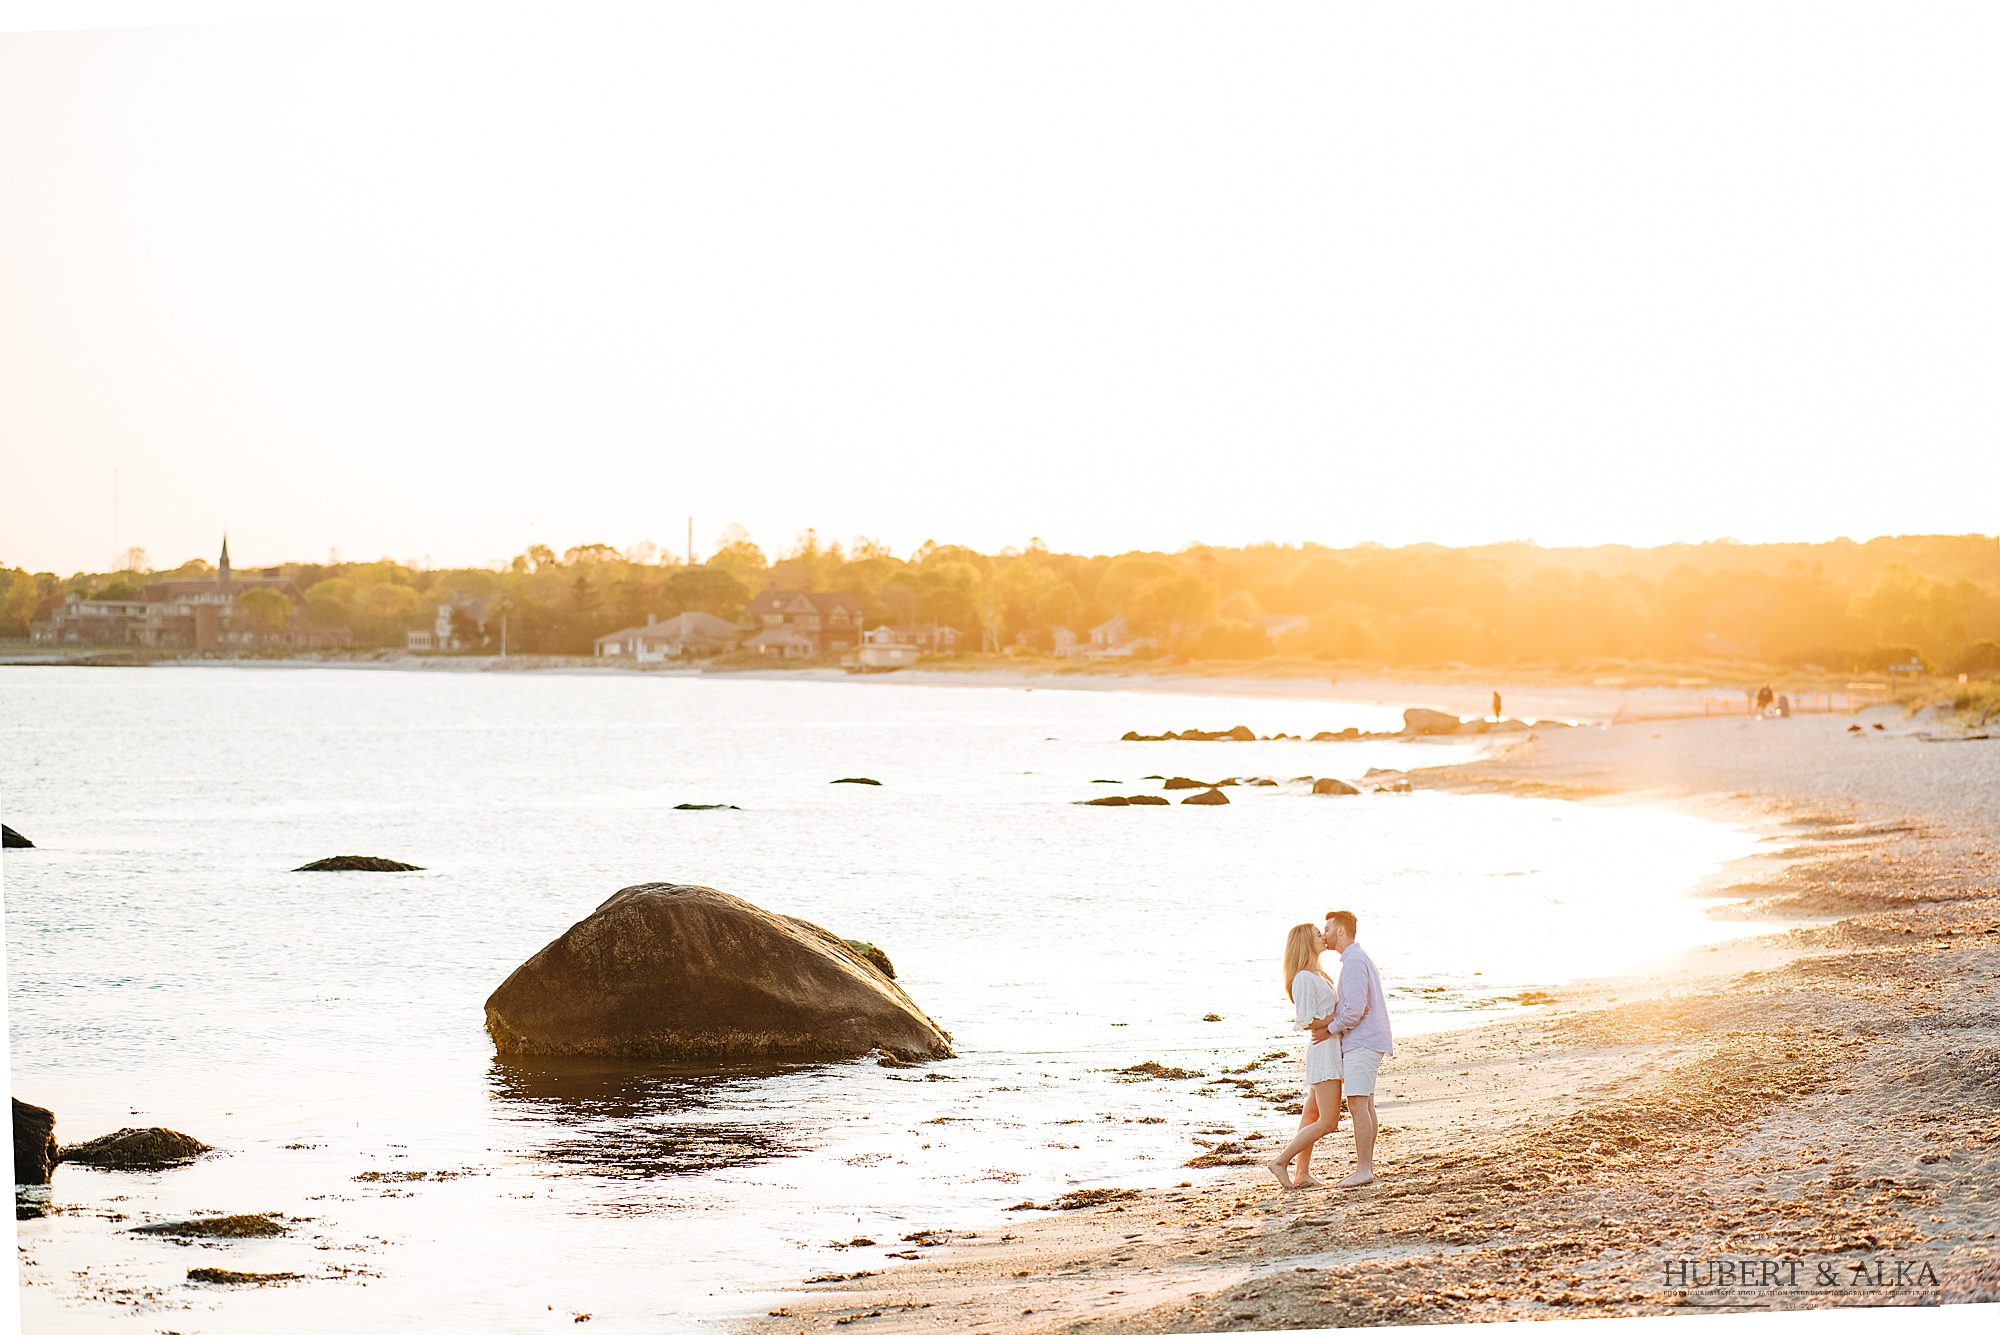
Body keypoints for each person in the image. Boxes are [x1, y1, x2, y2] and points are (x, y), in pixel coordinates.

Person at [1310, 910, 1393, 1187]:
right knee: (1364, 1102)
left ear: (1341, 931)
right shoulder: (1357, 959)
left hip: (1363, 1041)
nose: (1325, 933)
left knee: (1358, 1103)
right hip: (1368, 1039)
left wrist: (1328, 1030)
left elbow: (1353, 1011)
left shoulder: (1355, 962)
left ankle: (1364, 1169)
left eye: (1328, 928)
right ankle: (1366, 1166)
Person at [1262, 923, 1342, 1191]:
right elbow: (1306, 1021)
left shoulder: (1317, 974)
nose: (1323, 937)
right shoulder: (1304, 978)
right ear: (1306, 942)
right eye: (1318, 935)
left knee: (1311, 1116)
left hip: (1328, 1049)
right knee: (1328, 1121)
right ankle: (1281, 1161)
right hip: (1324, 1052)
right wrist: (1339, 1018)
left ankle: (1302, 1174)